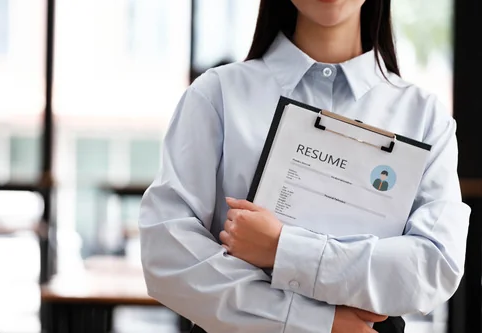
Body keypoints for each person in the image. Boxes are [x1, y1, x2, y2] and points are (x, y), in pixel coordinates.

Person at [139, 0, 470, 332]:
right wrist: (321, 324)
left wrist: (283, 249)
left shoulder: (424, 117)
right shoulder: (217, 96)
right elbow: (167, 253)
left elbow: (436, 264)